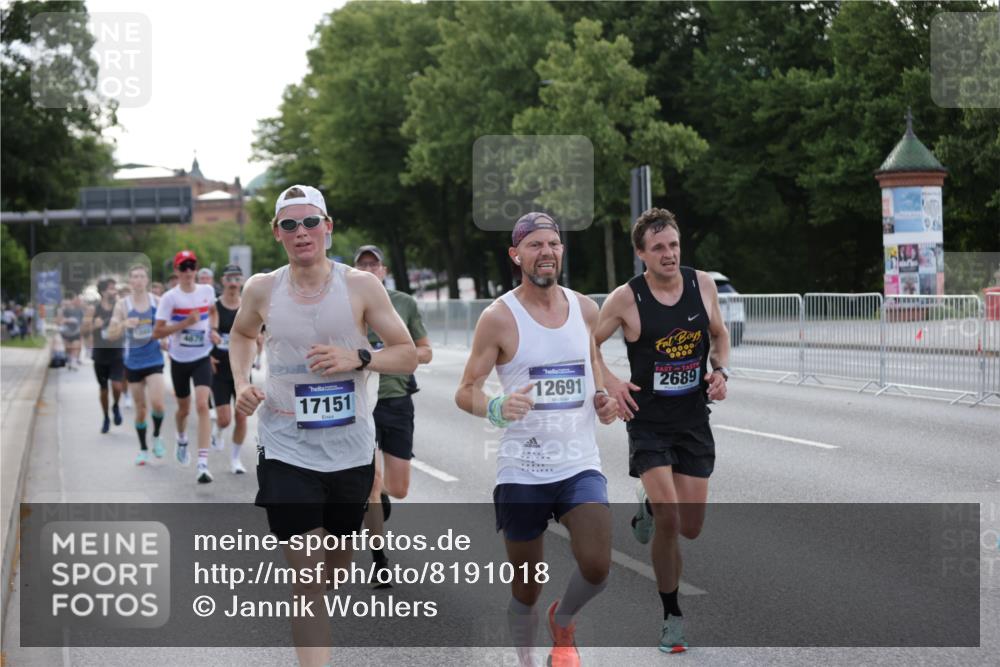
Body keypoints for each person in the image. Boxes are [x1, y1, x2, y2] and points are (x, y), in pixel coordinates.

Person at [230, 185, 416, 667]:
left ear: (328, 227)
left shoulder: (360, 286)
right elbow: (242, 334)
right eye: (289, 225)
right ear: (277, 233)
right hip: (285, 446)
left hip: (350, 450)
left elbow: (407, 353)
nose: (302, 232)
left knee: (330, 574)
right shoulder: (261, 289)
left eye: (310, 222)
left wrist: (359, 356)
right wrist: (240, 383)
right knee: (308, 580)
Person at [455, 212, 619, 667]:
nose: (546, 252)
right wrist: (495, 407)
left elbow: (594, 370)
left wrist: (603, 399)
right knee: (525, 588)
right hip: (522, 469)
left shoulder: (586, 309)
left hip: (578, 463)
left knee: (598, 567)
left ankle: (563, 621)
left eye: (553, 244)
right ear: (516, 254)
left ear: (561, 251)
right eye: (535, 245)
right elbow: (466, 388)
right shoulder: (498, 318)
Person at [594, 207, 731, 654]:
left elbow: (720, 335)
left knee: (690, 527)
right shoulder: (625, 299)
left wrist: (720, 370)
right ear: (641, 255)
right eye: (658, 248)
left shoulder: (701, 284)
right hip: (649, 424)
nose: (669, 254)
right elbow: (587, 344)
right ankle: (672, 616)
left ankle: (648, 507)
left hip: (693, 420)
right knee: (671, 520)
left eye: (673, 245)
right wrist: (612, 383)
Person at [354, 244, 433, 582]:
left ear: (383, 271)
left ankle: (381, 494)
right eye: (363, 265)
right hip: (358, 403)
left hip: (396, 399)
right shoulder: (346, 304)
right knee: (370, 482)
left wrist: (394, 354)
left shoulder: (403, 303)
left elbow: (426, 352)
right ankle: (380, 561)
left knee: (397, 489)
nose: (370, 270)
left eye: (375, 265)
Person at [154, 250, 220, 483]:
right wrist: (184, 323)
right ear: (177, 271)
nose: (189, 271)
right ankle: (181, 438)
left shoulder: (207, 291)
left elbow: (212, 312)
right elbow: (157, 332)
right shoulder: (170, 298)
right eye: (184, 267)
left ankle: (202, 463)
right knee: (184, 410)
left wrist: (212, 330)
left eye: (192, 266)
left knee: (202, 404)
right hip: (179, 360)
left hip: (202, 356)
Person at [108, 264, 167, 465]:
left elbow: (166, 326)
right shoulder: (122, 305)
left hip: (154, 360)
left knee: (158, 404)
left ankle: (157, 435)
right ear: (130, 281)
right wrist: (124, 324)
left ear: (147, 280)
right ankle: (143, 449)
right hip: (133, 363)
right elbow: (111, 332)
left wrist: (166, 339)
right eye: (134, 276)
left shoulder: (157, 302)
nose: (138, 280)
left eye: (142, 276)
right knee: (140, 410)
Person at [209, 264, 256, 474]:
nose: (233, 283)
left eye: (237, 278)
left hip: (243, 370)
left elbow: (257, 334)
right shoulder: (214, 306)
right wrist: (208, 354)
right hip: (219, 369)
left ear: (242, 281)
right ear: (223, 281)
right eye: (230, 279)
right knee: (225, 419)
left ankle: (235, 459)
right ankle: (218, 430)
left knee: (241, 416)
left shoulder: (247, 307)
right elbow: (205, 334)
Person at [84, 278, 126, 434]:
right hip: (100, 354)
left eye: (115, 288)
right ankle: (106, 417)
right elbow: (83, 331)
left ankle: (115, 405)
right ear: (102, 292)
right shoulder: (93, 310)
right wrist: (93, 326)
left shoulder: (120, 307)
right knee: (103, 389)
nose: (114, 291)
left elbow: (127, 324)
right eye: (111, 288)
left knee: (116, 385)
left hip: (117, 352)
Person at [57, 294, 85, 370]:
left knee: (75, 347)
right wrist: (68, 320)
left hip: (76, 332)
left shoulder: (80, 311)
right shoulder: (64, 310)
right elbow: (59, 321)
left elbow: (82, 322)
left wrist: (82, 331)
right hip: (66, 332)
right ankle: (70, 360)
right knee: (68, 348)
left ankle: (74, 362)